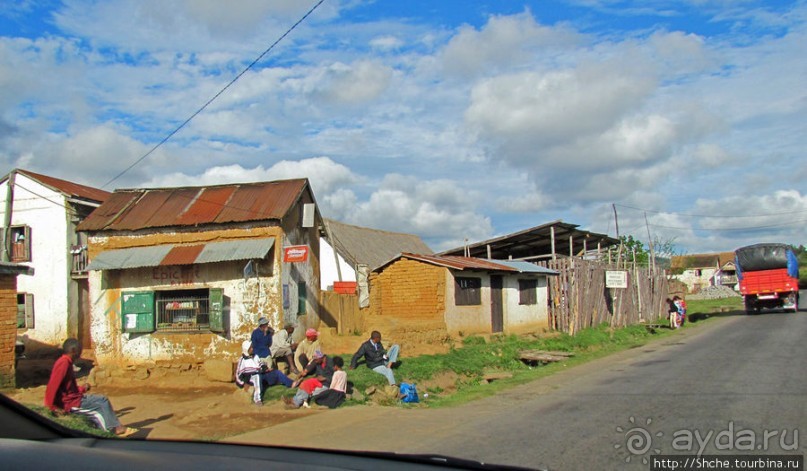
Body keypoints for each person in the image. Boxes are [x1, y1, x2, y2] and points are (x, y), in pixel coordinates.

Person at [44, 338, 136, 437]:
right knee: (101, 404)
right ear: (74, 351)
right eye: (80, 350)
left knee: (102, 399)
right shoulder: (63, 364)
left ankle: (115, 426)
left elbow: (69, 388)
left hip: (76, 397)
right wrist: (52, 407)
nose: (80, 353)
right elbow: (52, 386)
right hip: (71, 403)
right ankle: (114, 429)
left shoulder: (68, 363)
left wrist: (83, 388)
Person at [235, 340, 294, 406]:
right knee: (257, 376)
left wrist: (266, 369)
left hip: (261, 374)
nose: (252, 349)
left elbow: (261, 365)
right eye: (250, 348)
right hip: (251, 377)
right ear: (246, 350)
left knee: (276, 373)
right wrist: (243, 384)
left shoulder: (255, 356)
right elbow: (237, 375)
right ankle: (257, 399)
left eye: (252, 347)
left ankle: (292, 384)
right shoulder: (242, 360)